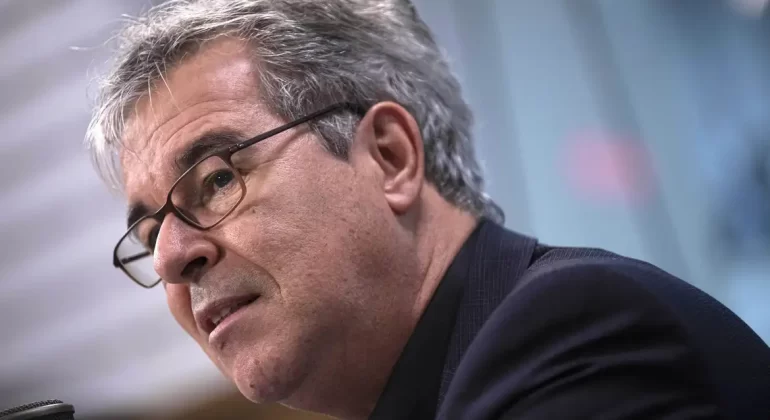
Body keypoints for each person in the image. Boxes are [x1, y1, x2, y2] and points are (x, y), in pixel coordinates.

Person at [85, 1, 770, 419]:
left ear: (389, 158)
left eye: (216, 179)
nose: (172, 258)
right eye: (150, 230)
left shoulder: (574, 335)